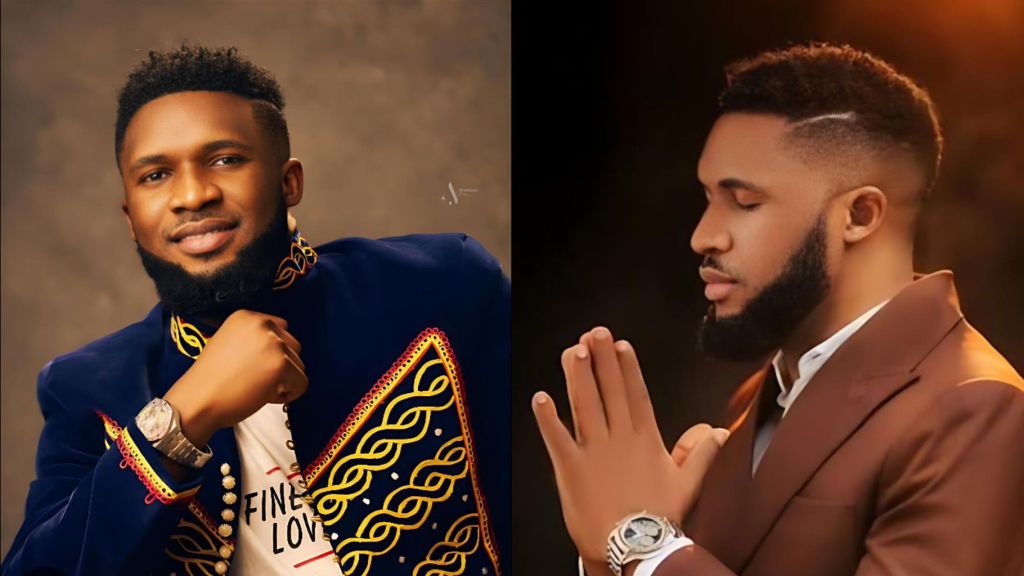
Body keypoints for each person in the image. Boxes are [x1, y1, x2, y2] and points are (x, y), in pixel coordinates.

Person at [2, 44, 509, 576]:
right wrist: (183, 417)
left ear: (288, 182)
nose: (193, 195)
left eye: (225, 160)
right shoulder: (83, 390)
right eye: (156, 175)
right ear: (131, 218)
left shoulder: (443, 288)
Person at [532, 43, 1024, 576]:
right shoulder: (758, 395)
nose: (703, 236)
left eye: (744, 202)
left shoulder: (977, 409)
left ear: (859, 214)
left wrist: (642, 544)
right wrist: (609, 556)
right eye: (707, 197)